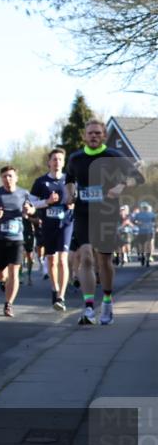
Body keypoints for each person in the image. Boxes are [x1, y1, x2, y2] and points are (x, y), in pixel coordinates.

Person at [65, 119, 144, 325]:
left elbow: (138, 178)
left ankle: (107, 301)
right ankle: (89, 307)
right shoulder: (75, 158)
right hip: (83, 213)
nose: (93, 136)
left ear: (103, 136)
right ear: (84, 135)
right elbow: (69, 180)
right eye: (90, 133)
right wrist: (70, 193)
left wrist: (122, 185)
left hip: (107, 213)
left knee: (104, 260)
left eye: (97, 133)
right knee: (87, 258)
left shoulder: (114, 156)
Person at [0, 166, 35, 318]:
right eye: (4, 176)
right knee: (1, 275)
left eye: (10, 176)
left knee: (14, 272)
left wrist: (29, 210)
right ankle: (3, 282)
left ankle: (8, 304)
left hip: (17, 239)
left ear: (16, 178)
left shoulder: (23, 193)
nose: (7, 179)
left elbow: (32, 209)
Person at [30, 148, 74, 310]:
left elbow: (78, 200)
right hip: (48, 225)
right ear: (49, 162)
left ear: (64, 162)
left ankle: (61, 297)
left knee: (63, 259)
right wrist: (47, 202)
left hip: (66, 223)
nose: (57, 162)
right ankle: (54, 290)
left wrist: (73, 203)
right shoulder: (40, 182)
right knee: (51, 260)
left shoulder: (70, 181)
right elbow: (31, 204)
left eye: (60, 159)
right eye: (54, 159)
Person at [133, 202, 155, 267]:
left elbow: (134, 221)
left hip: (145, 232)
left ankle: (144, 257)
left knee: (144, 245)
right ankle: (146, 258)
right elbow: (134, 221)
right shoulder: (150, 214)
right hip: (145, 232)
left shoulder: (139, 214)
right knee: (146, 245)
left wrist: (138, 223)